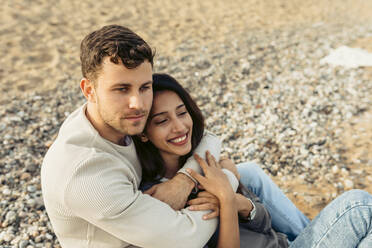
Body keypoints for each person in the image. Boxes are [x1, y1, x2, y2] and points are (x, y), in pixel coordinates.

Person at [41, 24, 307, 248]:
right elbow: (185, 237)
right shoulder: (86, 174)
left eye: (144, 87)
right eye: (121, 89)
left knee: (247, 172)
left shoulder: (118, 119)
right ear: (89, 90)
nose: (138, 103)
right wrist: (225, 187)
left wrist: (185, 179)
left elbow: (208, 138)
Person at [133, 73, 372, 248]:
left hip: (284, 243)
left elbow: (264, 221)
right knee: (359, 204)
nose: (179, 126)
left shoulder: (205, 163)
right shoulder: (160, 197)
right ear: (143, 132)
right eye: (162, 121)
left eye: (182, 112)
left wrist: (242, 205)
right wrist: (226, 199)